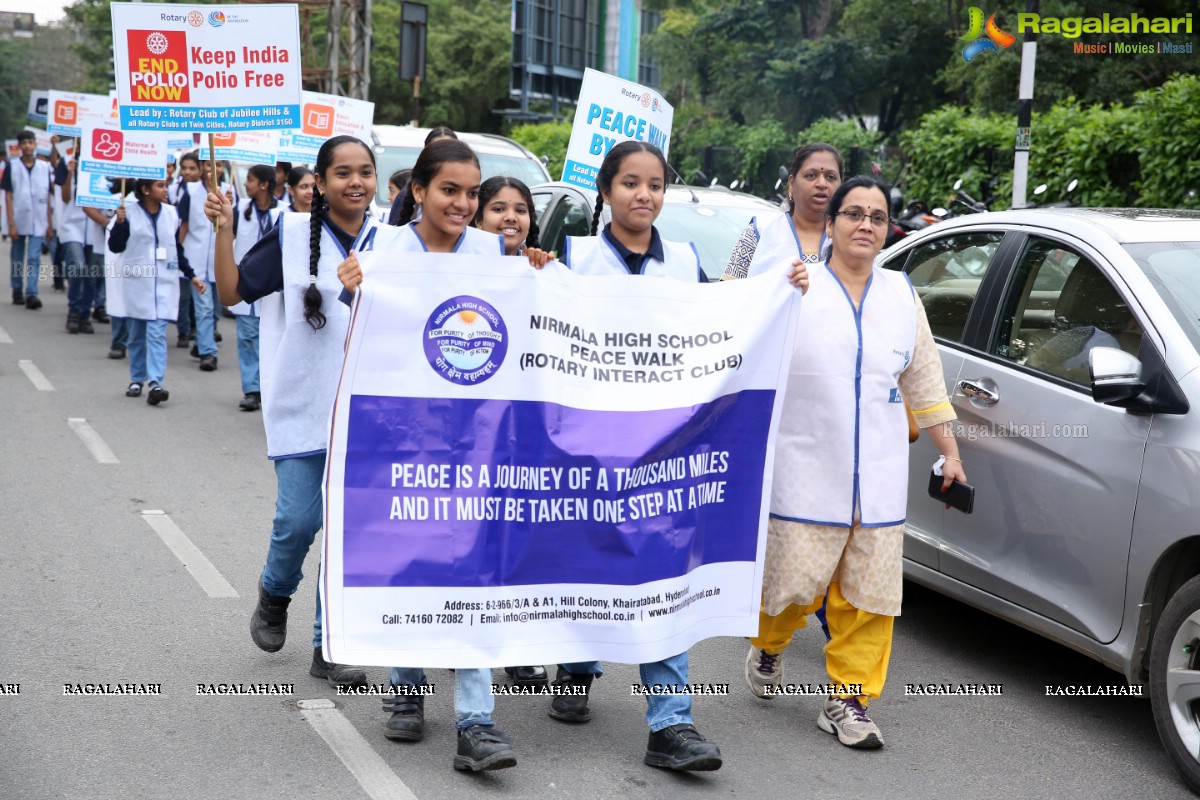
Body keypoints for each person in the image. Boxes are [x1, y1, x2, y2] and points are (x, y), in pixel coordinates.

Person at [337, 139, 548, 772]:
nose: (462, 203)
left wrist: (534, 270)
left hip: (480, 439)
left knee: (477, 568)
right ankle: (405, 692)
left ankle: (477, 722)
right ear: (419, 192)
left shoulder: (494, 253)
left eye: (471, 193)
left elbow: (523, 319)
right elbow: (365, 335)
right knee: (412, 558)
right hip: (404, 437)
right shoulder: (384, 254)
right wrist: (353, 291)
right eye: (449, 190)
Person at [742, 176, 965, 750]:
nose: (865, 225)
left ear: (888, 227)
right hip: (806, 467)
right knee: (792, 588)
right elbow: (741, 336)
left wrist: (950, 451)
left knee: (868, 596)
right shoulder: (796, 282)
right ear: (833, 224)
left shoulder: (901, 291)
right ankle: (767, 646)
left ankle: (849, 699)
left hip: (882, 478)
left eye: (876, 215)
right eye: (853, 214)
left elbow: (924, 378)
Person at [546, 141, 721, 772]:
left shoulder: (685, 264)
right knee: (585, 561)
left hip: (660, 453)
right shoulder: (574, 258)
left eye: (654, 185)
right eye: (629, 183)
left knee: (660, 574)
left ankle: (670, 724)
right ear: (606, 189)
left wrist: (774, 293)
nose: (643, 195)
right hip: (585, 451)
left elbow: (718, 336)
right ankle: (574, 667)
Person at [202, 135, 378, 706]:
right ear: (320, 183)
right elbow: (232, 291)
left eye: (366, 172)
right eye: (343, 172)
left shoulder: (397, 242)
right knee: (298, 524)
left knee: (349, 537)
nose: (356, 182)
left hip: (372, 417)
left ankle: (332, 646)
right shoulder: (292, 234)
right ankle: (275, 592)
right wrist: (224, 227)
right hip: (304, 407)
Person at [469, 175, 551, 688]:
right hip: (472, 432)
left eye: (520, 209)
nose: (510, 218)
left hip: (526, 434)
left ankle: (521, 647)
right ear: (476, 218)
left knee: (522, 543)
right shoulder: (455, 268)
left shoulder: (544, 272)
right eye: (498, 208)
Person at [107, 179, 204, 405]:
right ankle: (136, 379)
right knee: (137, 336)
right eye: (160, 186)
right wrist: (120, 224)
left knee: (157, 333)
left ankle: (155, 383)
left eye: (165, 185)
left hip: (164, 283)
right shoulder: (127, 213)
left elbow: (176, 249)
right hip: (138, 283)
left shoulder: (172, 214)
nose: (165, 190)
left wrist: (191, 275)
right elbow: (116, 247)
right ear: (146, 190)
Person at [723, 143, 842, 280]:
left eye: (830, 177)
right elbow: (726, 293)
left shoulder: (851, 236)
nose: (822, 184)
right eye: (811, 175)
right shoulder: (759, 232)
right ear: (791, 184)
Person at [229, 164, 283, 412]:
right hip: (248, 286)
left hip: (273, 290)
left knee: (272, 341)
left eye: (250, 180)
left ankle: (271, 388)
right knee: (247, 339)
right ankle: (251, 390)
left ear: (263, 184)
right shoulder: (239, 209)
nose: (246, 184)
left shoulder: (284, 212)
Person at [178, 154, 230, 370]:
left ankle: (202, 343)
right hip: (196, 260)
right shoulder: (189, 193)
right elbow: (184, 226)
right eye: (209, 164)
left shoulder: (230, 191)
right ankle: (208, 353)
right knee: (204, 308)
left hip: (220, 260)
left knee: (216, 309)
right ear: (202, 167)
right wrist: (177, 254)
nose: (214, 168)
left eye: (218, 164)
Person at [3, 130, 54, 308]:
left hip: (39, 219)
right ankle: (17, 289)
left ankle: (32, 293)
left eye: (30, 142)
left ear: (35, 144)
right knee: (17, 257)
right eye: (24, 143)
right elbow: (8, 195)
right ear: (19, 146)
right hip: (18, 218)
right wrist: (10, 223)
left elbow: (47, 196)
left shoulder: (43, 167)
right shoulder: (12, 166)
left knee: (34, 257)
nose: (27, 146)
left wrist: (50, 223)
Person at [54, 155, 97, 334]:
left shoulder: (103, 163)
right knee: (78, 267)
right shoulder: (68, 162)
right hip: (73, 227)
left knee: (93, 274)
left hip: (96, 227)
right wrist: (70, 173)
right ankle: (73, 311)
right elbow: (64, 198)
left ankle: (84, 314)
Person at [172, 152, 202, 348]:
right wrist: (176, 249)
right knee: (183, 295)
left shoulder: (203, 191)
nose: (187, 172)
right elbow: (181, 223)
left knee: (197, 295)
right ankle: (183, 331)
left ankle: (195, 328)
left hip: (196, 248)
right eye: (184, 168)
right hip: (178, 245)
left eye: (192, 168)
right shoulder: (174, 189)